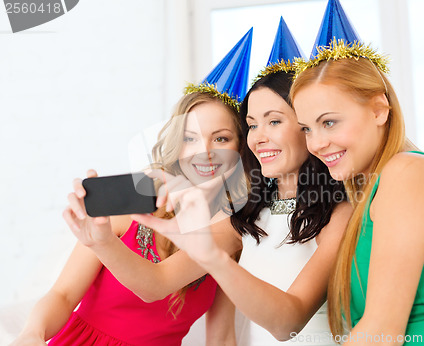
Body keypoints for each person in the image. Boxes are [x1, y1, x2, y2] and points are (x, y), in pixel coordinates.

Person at [12, 29, 253, 346]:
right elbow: (63, 294)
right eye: (190, 138)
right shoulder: (136, 199)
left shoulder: (229, 233)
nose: (203, 152)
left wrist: (102, 244)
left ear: (239, 150)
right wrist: (32, 334)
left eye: (220, 138)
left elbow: (218, 336)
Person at [133, 19, 353, 345]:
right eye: (251, 125)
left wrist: (214, 259)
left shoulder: (340, 213)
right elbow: (155, 283)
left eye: (274, 121)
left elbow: (287, 323)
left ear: (307, 126)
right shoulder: (245, 217)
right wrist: (99, 241)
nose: (259, 137)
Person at [290, 39, 424, 345]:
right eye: (307, 129)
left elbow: (381, 331)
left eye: (329, 122)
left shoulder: (408, 172)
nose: (316, 144)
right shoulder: (375, 193)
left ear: (379, 110)